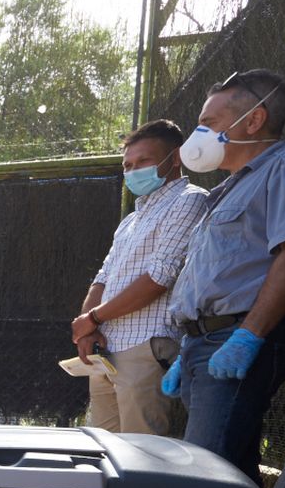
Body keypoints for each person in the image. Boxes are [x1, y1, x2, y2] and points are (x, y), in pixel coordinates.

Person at [160, 68, 285, 481]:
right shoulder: (226, 190)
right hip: (203, 345)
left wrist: (248, 336)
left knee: (203, 477)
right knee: (233, 474)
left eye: (208, 123)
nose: (198, 135)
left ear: (254, 120)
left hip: (240, 337)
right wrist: (189, 342)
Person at [69, 119, 209, 435]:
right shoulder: (131, 220)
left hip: (144, 347)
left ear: (175, 158)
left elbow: (160, 277)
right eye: (128, 165)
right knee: (101, 450)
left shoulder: (190, 200)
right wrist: (89, 328)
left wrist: (93, 317)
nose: (134, 171)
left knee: (141, 453)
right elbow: (103, 276)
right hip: (106, 348)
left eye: (143, 161)